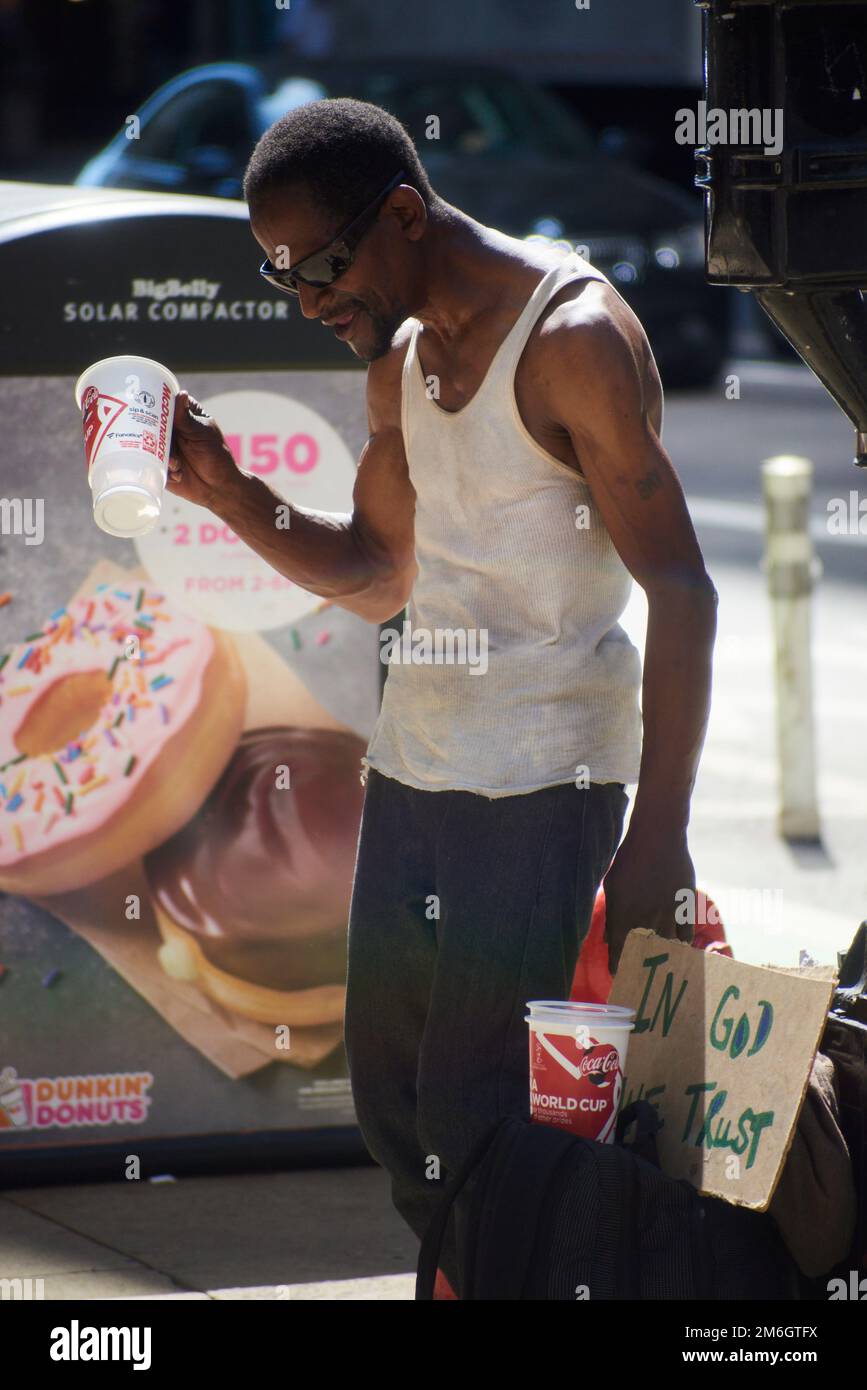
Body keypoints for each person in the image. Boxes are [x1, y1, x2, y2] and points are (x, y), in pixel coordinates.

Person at [166, 97, 718, 1295]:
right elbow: (376, 575)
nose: (310, 300)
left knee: (481, 1127)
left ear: (404, 214)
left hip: (539, 783)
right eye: (283, 280)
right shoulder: (401, 362)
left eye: (320, 267)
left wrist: (657, 833)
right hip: (416, 769)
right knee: (396, 1107)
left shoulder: (572, 337)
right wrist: (224, 492)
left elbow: (682, 588)